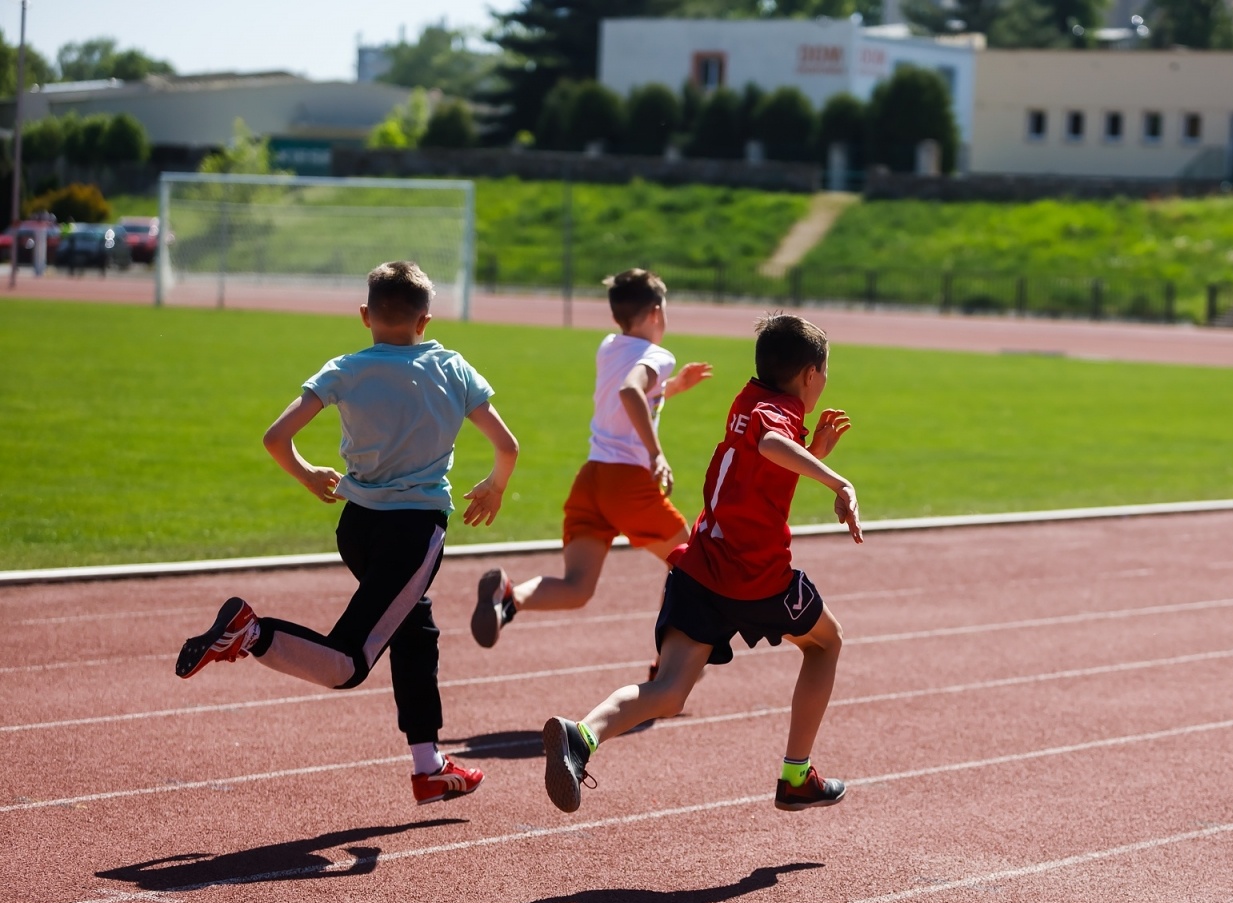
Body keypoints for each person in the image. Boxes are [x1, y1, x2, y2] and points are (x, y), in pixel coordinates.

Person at [174, 261, 520, 805]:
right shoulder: (453, 368)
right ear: (425, 321)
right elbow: (508, 446)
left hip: (355, 526)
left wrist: (309, 474)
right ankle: (252, 632)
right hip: (415, 531)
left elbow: (275, 438)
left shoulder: (345, 369)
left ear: (365, 316)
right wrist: (496, 486)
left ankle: (429, 764)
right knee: (348, 665)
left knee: (414, 626)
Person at [541, 313, 861, 814]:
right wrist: (838, 480)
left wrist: (813, 449)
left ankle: (582, 736)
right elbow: (771, 444)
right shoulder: (775, 416)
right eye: (826, 372)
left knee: (668, 691)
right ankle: (796, 774)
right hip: (756, 578)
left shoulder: (749, 400)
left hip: (700, 566)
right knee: (826, 643)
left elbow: (765, 467)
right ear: (810, 375)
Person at [470, 268, 711, 651]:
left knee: (577, 587)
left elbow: (636, 394)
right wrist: (656, 453)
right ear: (655, 312)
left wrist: (674, 386)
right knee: (694, 568)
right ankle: (670, 663)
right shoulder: (659, 355)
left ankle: (510, 596)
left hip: (591, 481)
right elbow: (631, 392)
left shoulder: (610, 345)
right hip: (628, 483)